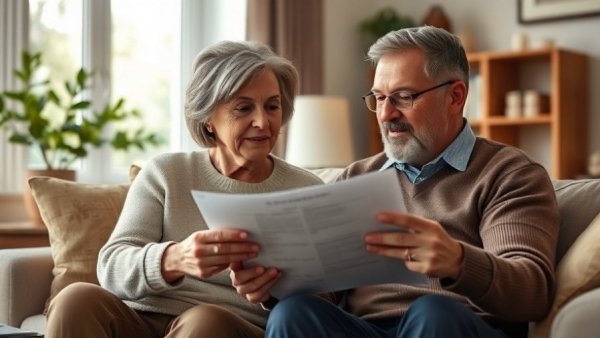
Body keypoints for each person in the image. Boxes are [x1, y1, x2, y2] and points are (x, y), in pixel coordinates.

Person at [230, 26, 560, 338]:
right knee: (292, 312)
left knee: (432, 312)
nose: (386, 114)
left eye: (403, 96)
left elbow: (532, 293)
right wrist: (272, 284)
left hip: (454, 325)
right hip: (368, 327)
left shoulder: (509, 173)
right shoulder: (357, 176)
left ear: (455, 97)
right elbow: (327, 293)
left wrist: (459, 261)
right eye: (379, 98)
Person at [44, 40, 324, 338]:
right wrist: (175, 259)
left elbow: (326, 303)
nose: (262, 121)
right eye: (243, 108)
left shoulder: (306, 189)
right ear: (208, 119)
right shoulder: (166, 173)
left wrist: (272, 293)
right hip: (142, 317)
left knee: (204, 322)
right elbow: (112, 266)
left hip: (230, 326)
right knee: (75, 299)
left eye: (272, 106)